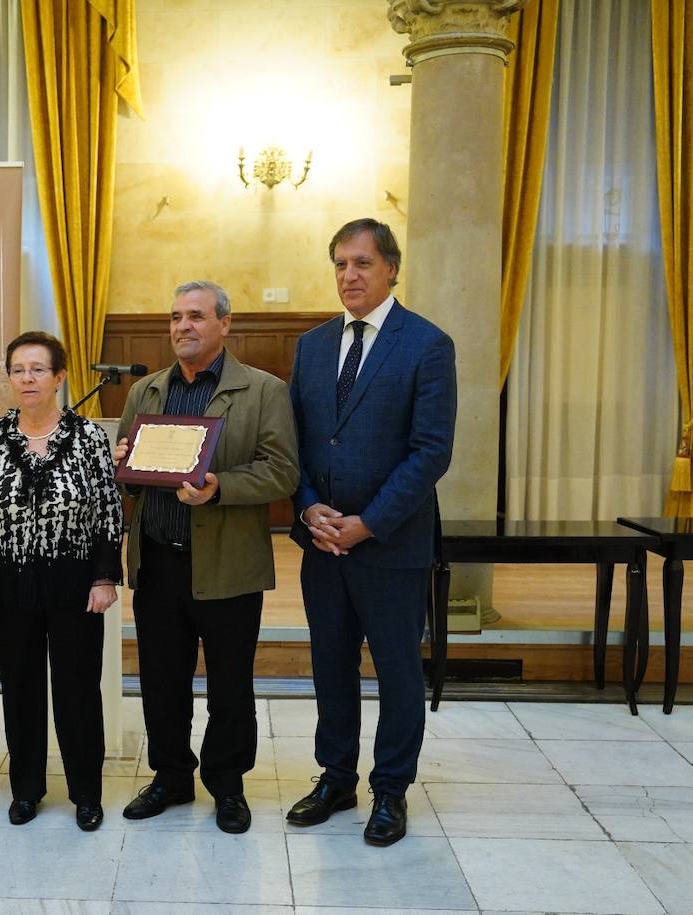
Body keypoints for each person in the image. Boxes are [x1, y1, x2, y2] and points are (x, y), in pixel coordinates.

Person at [286, 218, 456, 846]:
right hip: (322, 542)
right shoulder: (311, 345)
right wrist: (309, 509)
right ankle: (335, 778)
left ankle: (390, 790)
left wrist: (367, 524)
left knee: (396, 673)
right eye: (339, 264)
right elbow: (295, 444)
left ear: (391, 268)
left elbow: (431, 451)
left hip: (390, 545)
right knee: (331, 667)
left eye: (361, 263)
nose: (348, 276)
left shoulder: (427, 344)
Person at [114, 280, 299, 834]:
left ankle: (227, 784)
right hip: (158, 564)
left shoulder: (263, 390)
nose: (182, 327)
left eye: (195, 316)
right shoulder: (145, 392)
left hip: (227, 564)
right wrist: (122, 464)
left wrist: (220, 486)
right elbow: (126, 482)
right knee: (161, 682)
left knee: (229, 684)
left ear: (224, 324)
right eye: (174, 317)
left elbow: (282, 470)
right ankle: (170, 776)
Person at [0, 331, 124, 831]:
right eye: (19, 370)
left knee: (79, 689)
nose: (28, 378)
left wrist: (104, 577)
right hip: (10, 584)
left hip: (76, 584)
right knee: (20, 688)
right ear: (9, 378)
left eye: (38, 369)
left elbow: (108, 513)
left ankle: (86, 792)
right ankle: (26, 788)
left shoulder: (89, 438)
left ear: (59, 378)